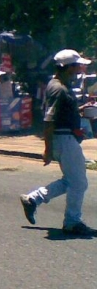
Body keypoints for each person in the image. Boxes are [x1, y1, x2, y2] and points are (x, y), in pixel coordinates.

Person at [19, 49, 96, 236]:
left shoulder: (61, 85)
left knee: (70, 181)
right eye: (77, 65)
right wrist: (48, 148)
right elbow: (49, 119)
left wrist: (80, 109)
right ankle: (72, 222)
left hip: (65, 138)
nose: (80, 69)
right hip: (64, 139)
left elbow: (61, 113)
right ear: (68, 68)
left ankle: (33, 199)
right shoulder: (58, 88)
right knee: (79, 183)